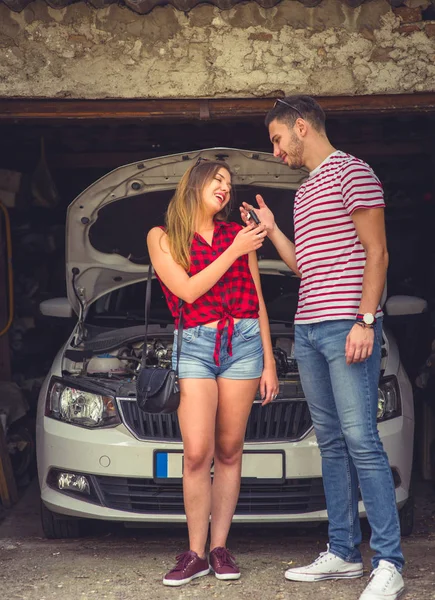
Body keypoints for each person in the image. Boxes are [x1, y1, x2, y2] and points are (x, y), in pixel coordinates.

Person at [240, 96, 405, 600]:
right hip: (308, 328)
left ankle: (390, 563)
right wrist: (272, 233)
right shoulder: (306, 191)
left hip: (345, 327)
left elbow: (377, 252)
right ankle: (343, 553)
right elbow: (303, 268)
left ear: (302, 127)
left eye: (277, 139)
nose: (275, 150)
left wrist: (365, 320)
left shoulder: (352, 172)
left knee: (362, 440)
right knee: (331, 442)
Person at [147, 157, 279, 587]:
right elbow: (186, 291)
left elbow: (257, 299)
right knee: (197, 452)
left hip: (242, 344)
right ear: (195, 184)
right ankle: (194, 553)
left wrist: (269, 360)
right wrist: (234, 250)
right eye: (217, 180)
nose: (225, 187)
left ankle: (219, 548)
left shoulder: (237, 236)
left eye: (229, 182)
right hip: (196, 346)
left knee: (229, 450)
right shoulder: (163, 237)